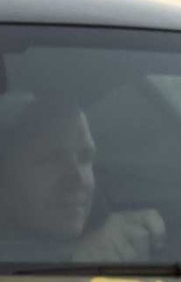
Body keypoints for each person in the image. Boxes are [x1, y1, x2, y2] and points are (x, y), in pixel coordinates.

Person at [0, 95, 164, 264]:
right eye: (51, 159)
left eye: (85, 157)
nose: (77, 177)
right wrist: (77, 258)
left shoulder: (118, 243)